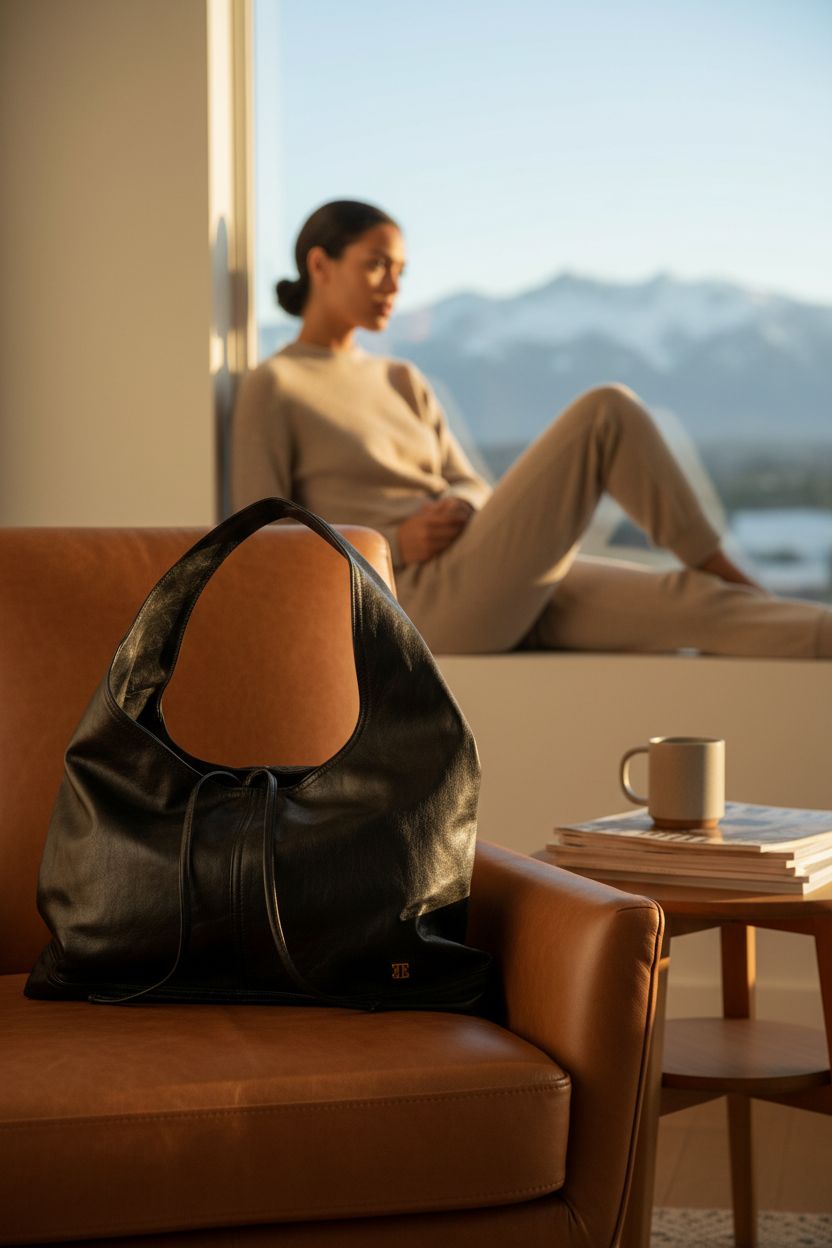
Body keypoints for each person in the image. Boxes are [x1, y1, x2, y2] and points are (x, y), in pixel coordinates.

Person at [231, 200, 832, 659]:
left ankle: (773, 606)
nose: (393, 285)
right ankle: (723, 561)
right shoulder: (275, 386)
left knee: (691, 601)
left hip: (486, 575)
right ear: (319, 265)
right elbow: (262, 544)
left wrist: (460, 510)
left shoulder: (401, 379)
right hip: (412, 603)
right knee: (605, 412)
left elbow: (471, 485)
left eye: (401, 271)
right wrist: (394, 539)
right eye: (376, 266)